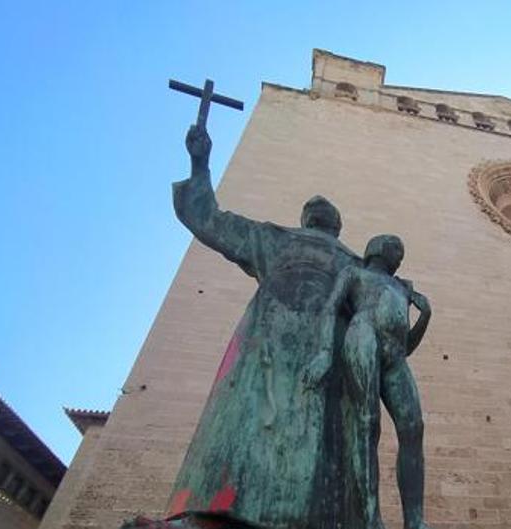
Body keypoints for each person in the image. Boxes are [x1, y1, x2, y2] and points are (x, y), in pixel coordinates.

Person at [166, 125, 361, 527]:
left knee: (287, 444)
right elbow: (208, 219)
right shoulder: (299, 247)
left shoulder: (282, 242)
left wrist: (201, 164)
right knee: (263, 438)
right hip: (288, 362)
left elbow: (207, 219)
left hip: (302, 364)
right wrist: (199, 162)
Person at [304, 234, 432, 529]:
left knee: (413, 427)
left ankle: (415, 520)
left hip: (395, 354)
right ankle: (369, 517)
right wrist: (324, 353)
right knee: (366, 422)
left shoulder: (403, 286)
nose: (399, 254)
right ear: (377, 249)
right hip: (364, 337)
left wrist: (424, 316)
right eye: (395, 248)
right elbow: (330, 309)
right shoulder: (354, 273)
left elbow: (406, 345)